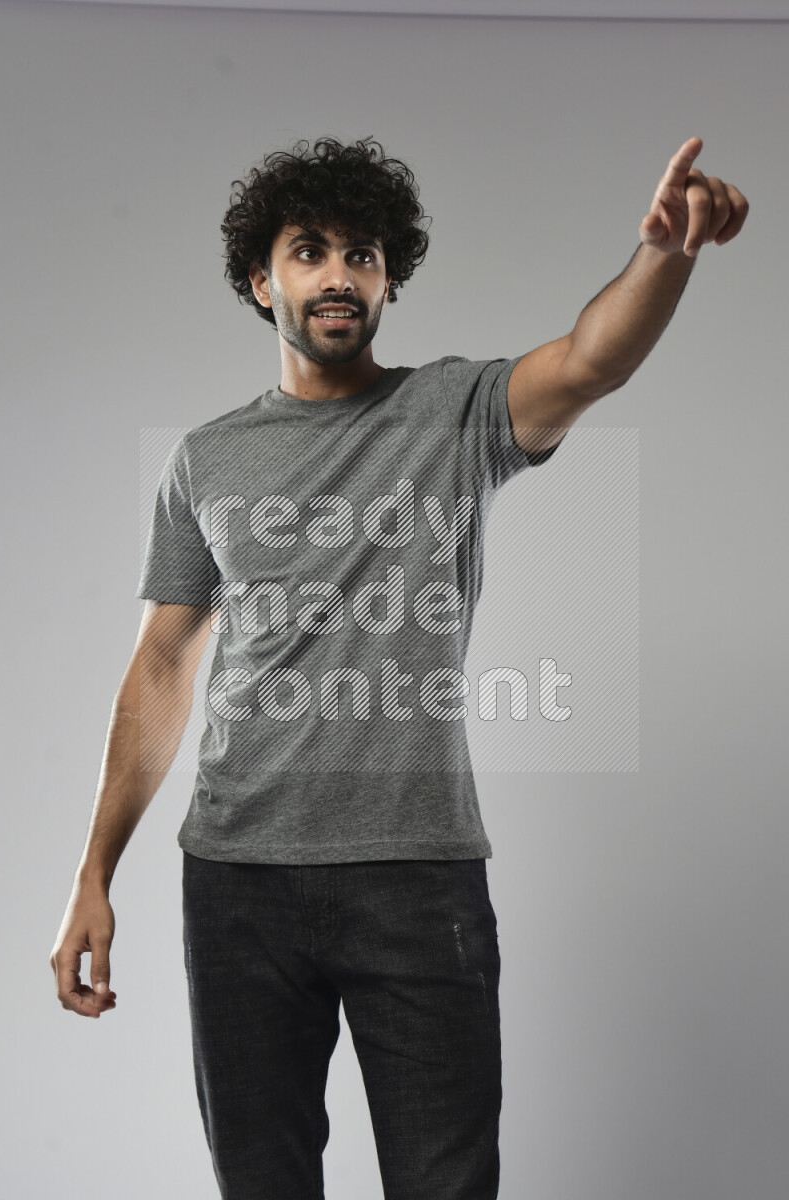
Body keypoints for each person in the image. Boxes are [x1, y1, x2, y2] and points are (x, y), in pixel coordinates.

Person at [50, 134, 748, 1199]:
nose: (339, 274)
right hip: (237, 886)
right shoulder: (204, 459)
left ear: (388, 281)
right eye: (310, 251)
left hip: (417, 882)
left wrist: (664, 252)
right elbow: (159, 668)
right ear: (262, 281)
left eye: (363, 255)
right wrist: (92, 875)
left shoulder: (454, 413)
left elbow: (589, 360)